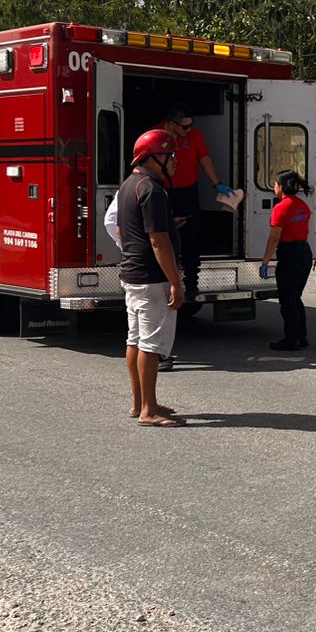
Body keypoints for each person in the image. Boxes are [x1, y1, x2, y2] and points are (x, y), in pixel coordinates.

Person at [116, 128, 186, 427]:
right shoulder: (152, 189)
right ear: (153, 157)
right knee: (151, 344)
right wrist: (176, 282)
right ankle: (148, 411)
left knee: (135, 340)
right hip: (152, 277)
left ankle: (141, 403)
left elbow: (121, 231)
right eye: (170, 156)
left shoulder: (129, 185)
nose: (174, 162)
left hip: (133, 274)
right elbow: (158, 241)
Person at [160, 106, 231, 303]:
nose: (188, 130)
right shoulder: (156, 136)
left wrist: (216, 184)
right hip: (164, 191)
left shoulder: (195, 136)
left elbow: (204, 158)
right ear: (171, 123)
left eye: (191, 125)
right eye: (184, 127)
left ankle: (191, 284)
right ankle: (165, 283)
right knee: (165, 237)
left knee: (190, 238)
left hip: (188, 192)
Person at [259, 169, 314, 351]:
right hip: (304, 253)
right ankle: (301, 336)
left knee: (287, 300)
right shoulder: (302, 205)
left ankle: (291, 340)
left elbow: (274, 238)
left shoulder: (280, 208)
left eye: (275, 184)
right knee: (295, 297)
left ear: (281, 187)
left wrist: (265, 262)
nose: (274, 187)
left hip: (289, 255)